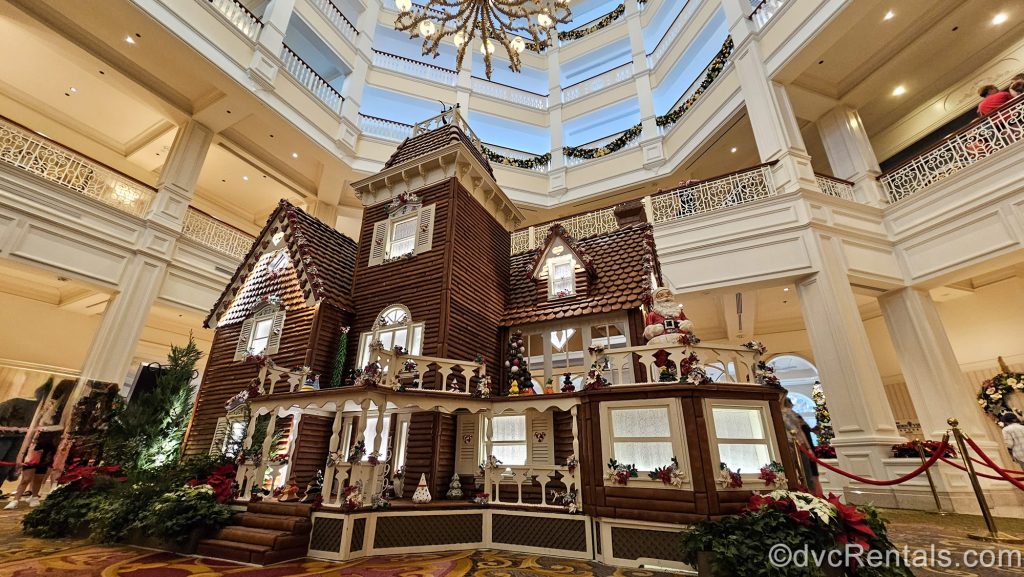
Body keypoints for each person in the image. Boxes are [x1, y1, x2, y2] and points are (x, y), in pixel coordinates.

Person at [783, 397, 820, 495]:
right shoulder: (781, 413)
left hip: (799, 446)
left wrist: (808, 448)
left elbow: (799, 431)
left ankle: (810, 495)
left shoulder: (791, 414)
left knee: (806, 473)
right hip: (790, 446)